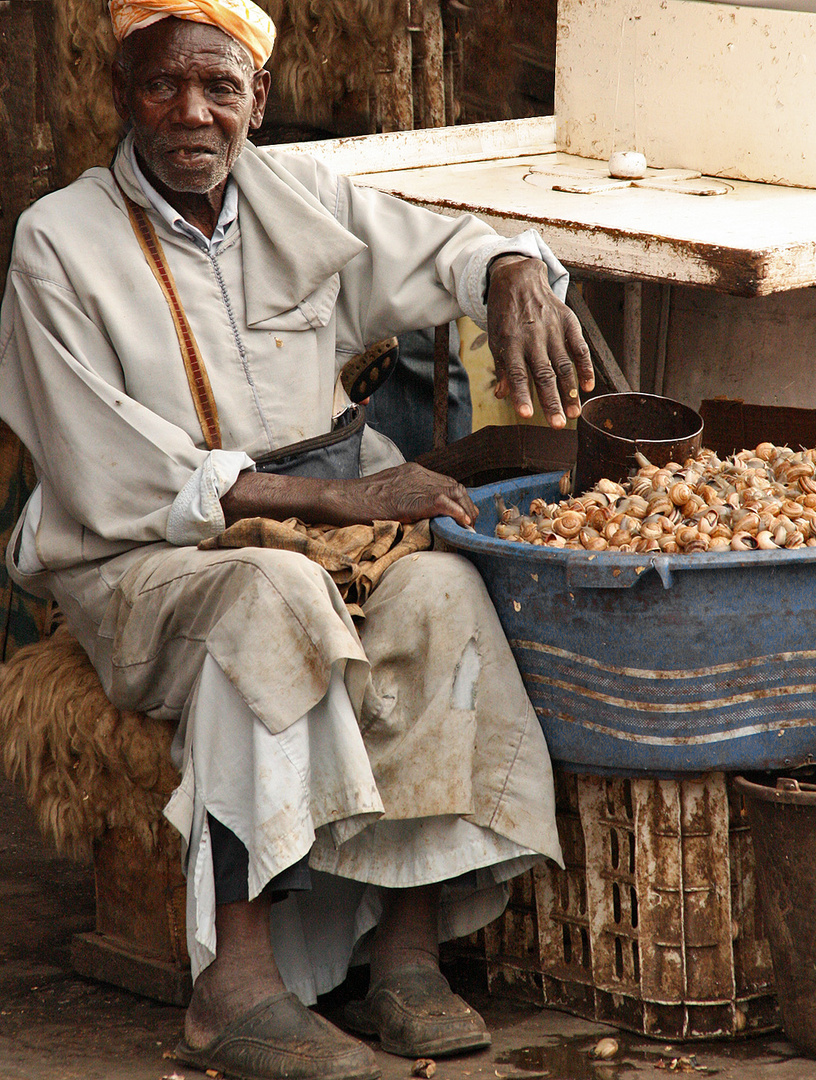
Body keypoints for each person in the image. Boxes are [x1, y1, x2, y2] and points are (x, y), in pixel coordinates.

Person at [0, 2, 594, 1078]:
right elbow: (110, 475)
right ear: (121, 92)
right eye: (162, 85)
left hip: (314, 531)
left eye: (219, 89)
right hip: (145, 562)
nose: (191, 112)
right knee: (270, 594)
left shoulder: (296, 196)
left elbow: (457, 245)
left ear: (258, 101)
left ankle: (407, 957)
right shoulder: (60, 241)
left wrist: (510, 271)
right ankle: (235, 987)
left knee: (439, 594)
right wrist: (337, 504)